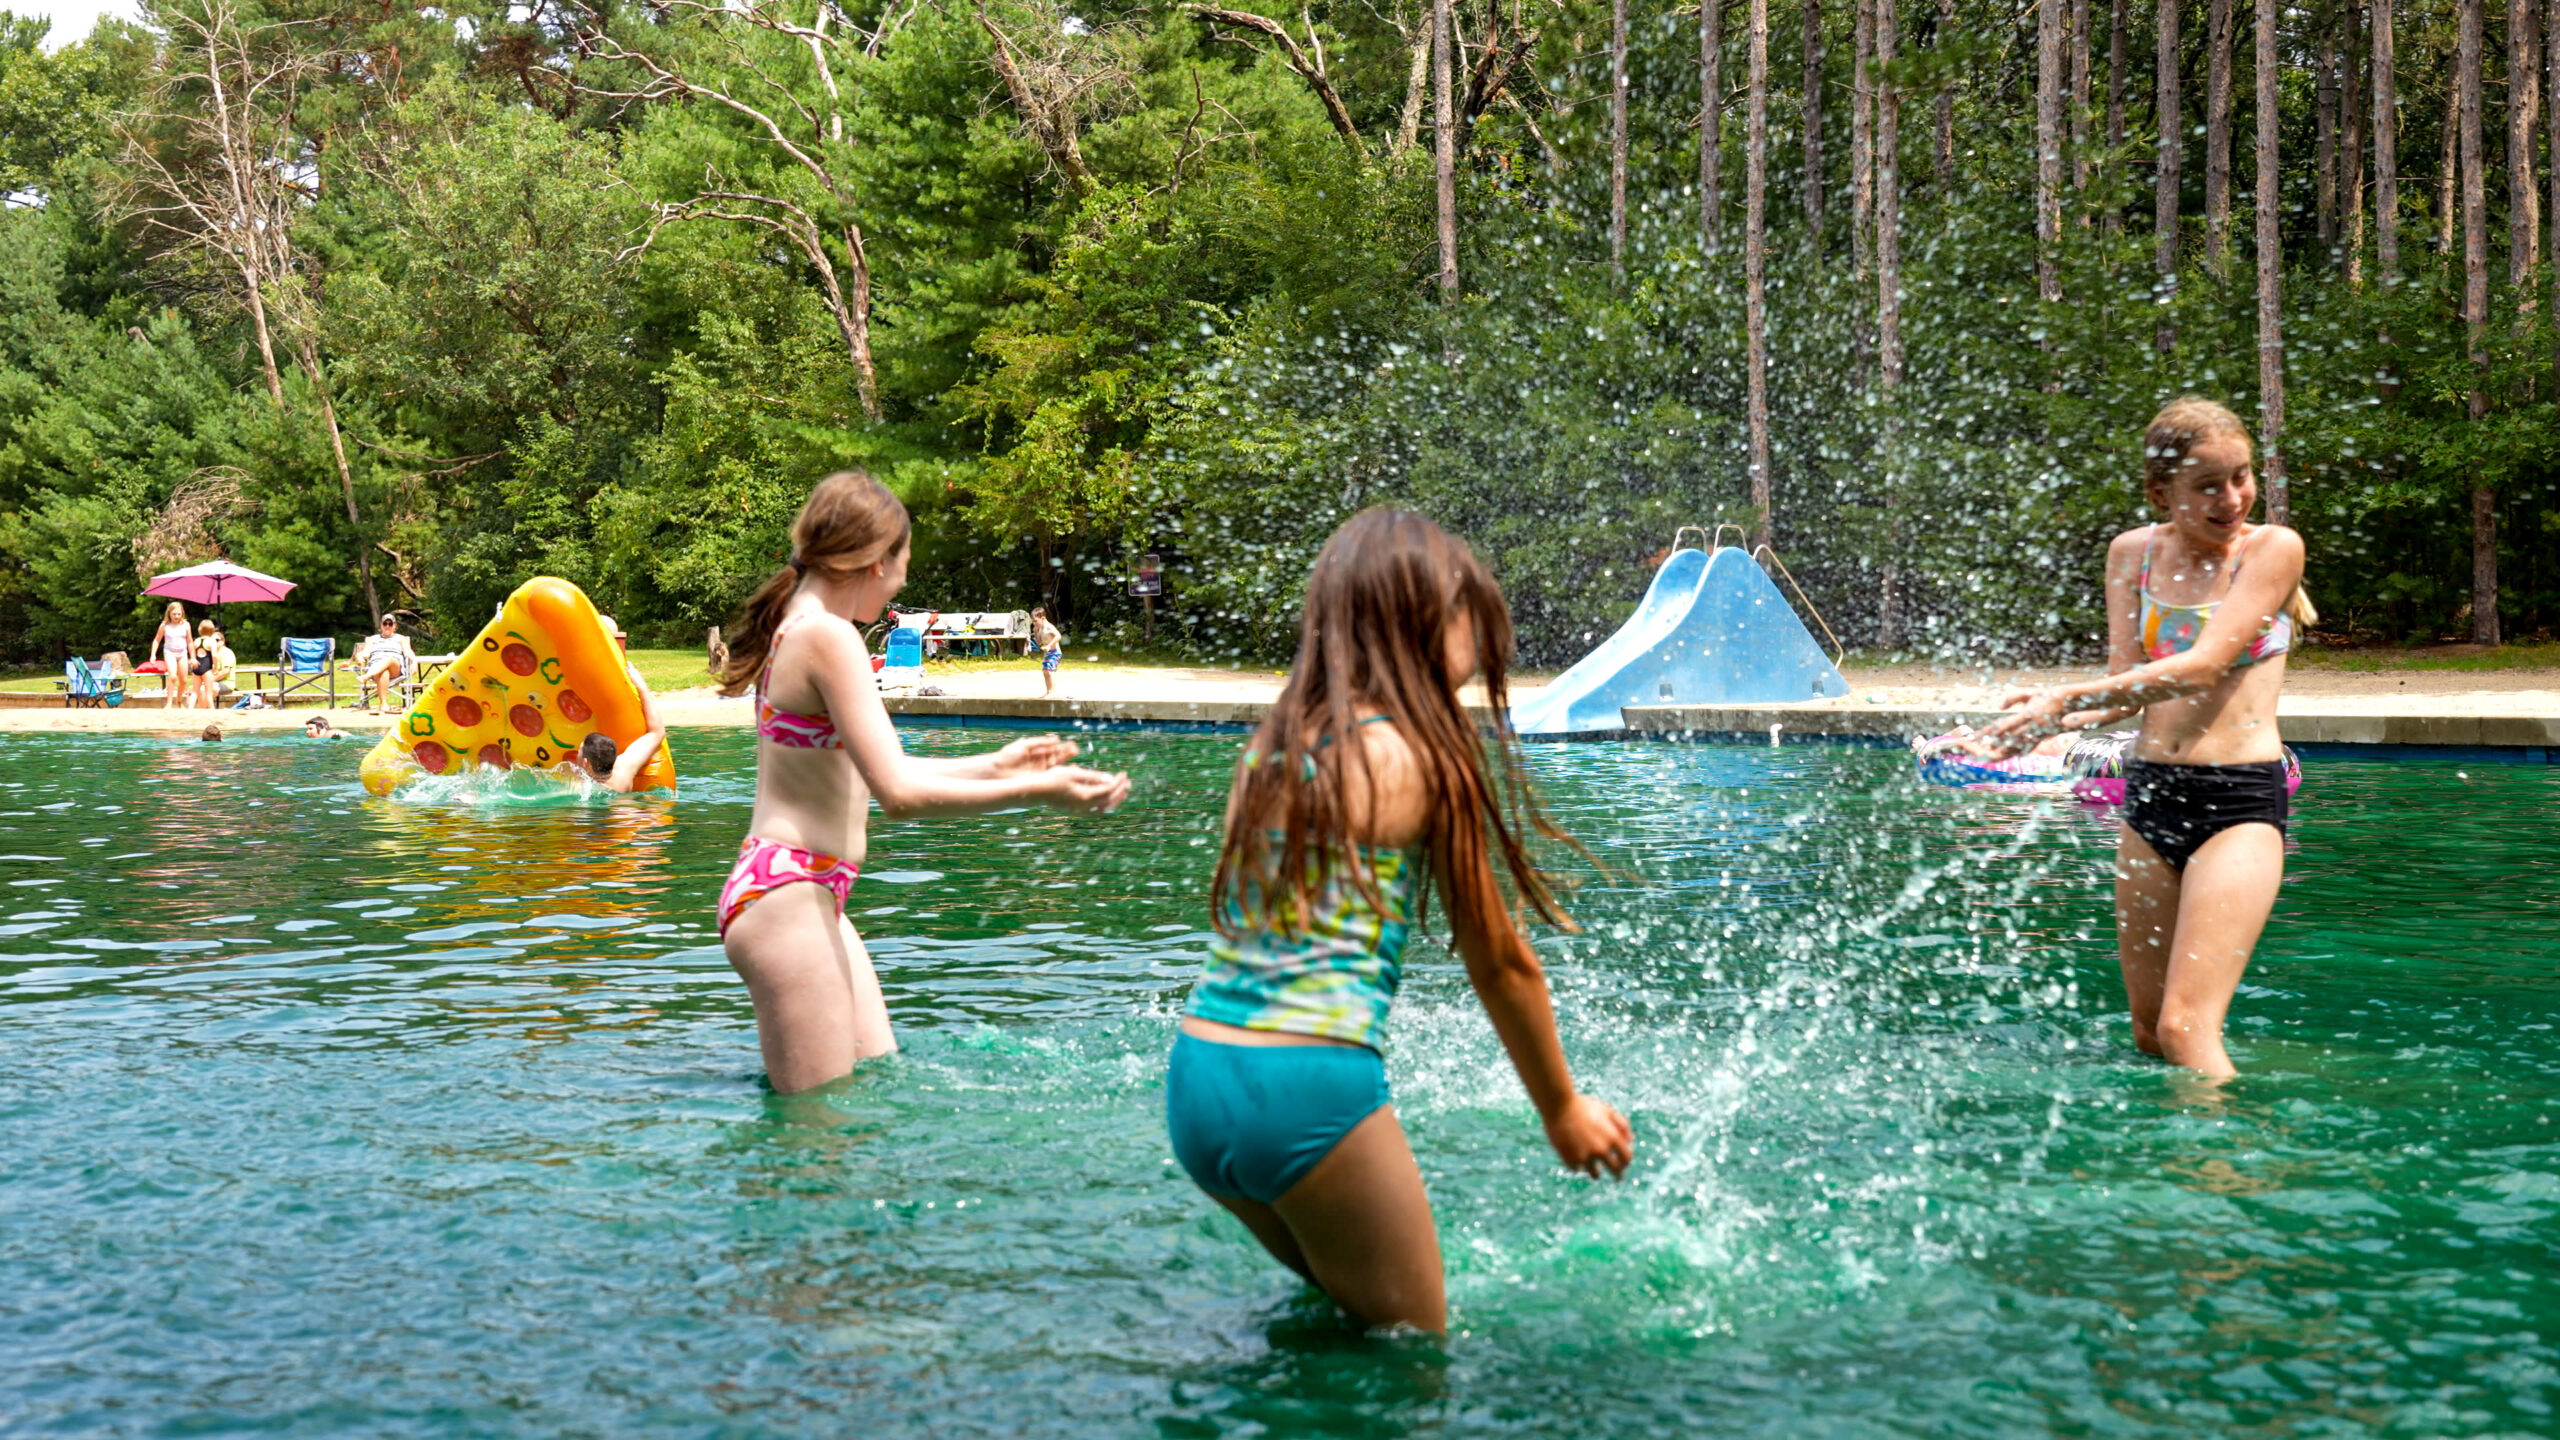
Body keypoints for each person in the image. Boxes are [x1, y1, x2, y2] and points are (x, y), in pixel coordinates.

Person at [1166, 507, 1633, 1333]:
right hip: (1307, 1090)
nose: (1484, 647)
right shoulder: (1419, 757)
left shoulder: (1274, 747)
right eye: (1467, 618)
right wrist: (1563, 1109)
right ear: (1418, 620)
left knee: (1341, 1328)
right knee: (1414, 1357)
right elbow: (1499, 959)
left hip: (1201, 1076)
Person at [715, 470, 1132, 1092]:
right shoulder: (828, 636)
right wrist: (1040, 793)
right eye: (904, 562)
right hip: (788, 897)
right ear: (876, 560)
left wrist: (1000, 763)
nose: (905, 578)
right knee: (816, 1137)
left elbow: (881, 770)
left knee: (875, 1084)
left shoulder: (804, 627)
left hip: (807, 890)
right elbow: (900, 796)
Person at [1966, 397, 2314, 1080]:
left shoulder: (2272, 550)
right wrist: (2042, 723)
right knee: (2151, 1032)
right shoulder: (2133, 554)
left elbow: (2207, 663)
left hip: (2239, 802)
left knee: (2187, 1028)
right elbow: (2130, 685)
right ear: (2163, 492)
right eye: (2208, 485)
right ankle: (2170, 1179)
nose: (2232, 497)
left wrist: (2066, 696)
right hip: (2151, 793)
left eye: (2241, 477)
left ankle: (2227, 1175)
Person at [573, 670, 667, 794]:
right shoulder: (624, 769)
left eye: (580, 751)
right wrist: (641, 685)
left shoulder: (578, 789)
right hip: (625, 810)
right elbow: (657, 732)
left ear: (586, 763)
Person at [354, 615, 417, 713]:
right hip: (376, 669)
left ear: (395, 626)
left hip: (395, 667)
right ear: (381, 625)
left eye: (390, 624)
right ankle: (383, 704)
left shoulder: (401, 638)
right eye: (385, 623)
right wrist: (359, 656)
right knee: (384, 671)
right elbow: (365, 653)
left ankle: (367, 676)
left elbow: (408, 652)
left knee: (389, 659)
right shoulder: (372, 639)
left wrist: (414, 662)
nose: (387, 626)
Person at [148, 602, 192, 708]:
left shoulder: (186, 625)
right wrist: (153, 655)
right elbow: (157, 640)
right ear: (169, 614)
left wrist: (193, 657)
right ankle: (169, 702)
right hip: (170, 653)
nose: (176, 616)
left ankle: (179, 700)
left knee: (184, 680)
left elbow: (190, 642)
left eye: (178, 614)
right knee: (172, 677)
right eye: (174, 614)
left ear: (182, 614)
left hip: (182, 653)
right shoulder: (164, 625)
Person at [1030, 606, 1063, 698]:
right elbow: (1039, 642)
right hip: (1048, 653)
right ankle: (1048, 691)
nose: (1034, 623)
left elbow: (1058, 636)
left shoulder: (1048, 627)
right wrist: (1036, 632)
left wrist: (1049, 645)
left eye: (1036, 621)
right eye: (1033, 621)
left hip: (1055, 652)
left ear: (1043, 618)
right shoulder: (1040, 628)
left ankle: (1053, 692)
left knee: (1049, 671)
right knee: (1045, 672)